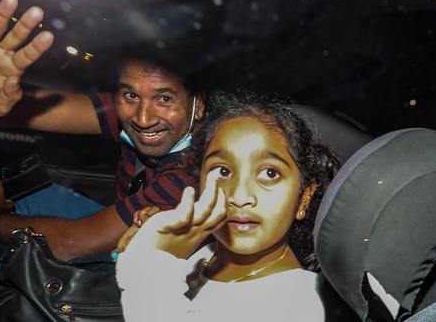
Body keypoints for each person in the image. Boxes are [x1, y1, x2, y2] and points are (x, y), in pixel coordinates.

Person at [0, 0, 205, 322]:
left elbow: (70, 243)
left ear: (199, 105)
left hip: (139, 286)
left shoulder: (194, 175)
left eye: (165, 98)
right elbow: (26, 113)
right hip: (124, 239)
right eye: (131, 94)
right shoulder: (133, 111)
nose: (144, 117)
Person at [116, 91, 339, 321]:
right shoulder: (207, 254)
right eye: (223, 171)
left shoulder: (300, 307)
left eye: (269, 173)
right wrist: (145, 248)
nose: (240, 196)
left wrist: (154, 264)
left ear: (304, 196)